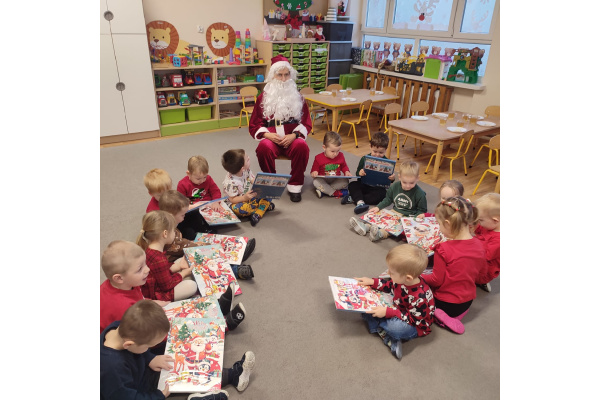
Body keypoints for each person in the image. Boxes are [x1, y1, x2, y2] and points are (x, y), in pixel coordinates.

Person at [101, 300, 255, 400]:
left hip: (139, 371)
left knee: (179, 354)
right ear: (129, 345)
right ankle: (233, 376)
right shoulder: (112, 369)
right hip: (138, 390)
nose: (149, 348)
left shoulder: (119, 328)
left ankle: (223, 326)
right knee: (182, 375)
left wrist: (150, 357)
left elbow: (139, 351)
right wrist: (158, 396)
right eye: (148, 346)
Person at [249, 55, 312, 203]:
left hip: (292, 139)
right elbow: (254, 124)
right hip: (272, 140)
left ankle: (295, 185)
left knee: (302, 146)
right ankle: (272, 183)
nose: (283, 79)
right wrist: (267, 135)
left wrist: (294, 135)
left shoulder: (298, 97)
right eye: (279, 75)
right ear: (273, 76)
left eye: (286, 74)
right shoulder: (263, 97)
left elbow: (306, 123)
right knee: (263, 147)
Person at [355, 244, 435, 360]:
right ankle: (384, 331)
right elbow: (389, 286)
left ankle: (386, 333)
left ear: (408, 278)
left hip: (416, 324)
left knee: (395, 328)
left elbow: (414, 320)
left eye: (392, 272)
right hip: (400, 309)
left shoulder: (419, 297)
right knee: (367, 306)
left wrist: (389, 312)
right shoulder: (402, 280)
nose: (388, 273)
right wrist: (372, 282)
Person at [420, 196, 486, 334]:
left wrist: (419, 275)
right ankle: (456, 316)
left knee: (414, 289)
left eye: (439, 224)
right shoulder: (480, 245)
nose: (438, 227)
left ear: (447, 224)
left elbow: (436, 280)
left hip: (445, 303)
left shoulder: (443, 249)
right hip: (466, 302)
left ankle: (440, 316)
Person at [159, 189, 255, 281]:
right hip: (175, 259)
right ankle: (235, 270)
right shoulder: (168, 232)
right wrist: (206, 246)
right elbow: (182, 245)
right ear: (171, 216)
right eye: (182, 215)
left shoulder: (169, 221)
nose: (184, 216)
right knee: (205, 256)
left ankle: (237, 254)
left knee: (206, 244)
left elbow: (182, 242)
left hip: (180, 247)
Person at [100, 240, 170, 333]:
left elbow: (139, 299)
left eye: (145, 264)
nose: (148, 269)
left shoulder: (128, 283)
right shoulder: (124, 308)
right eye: (140, 269)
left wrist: (152, 303)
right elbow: (135, 336)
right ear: (119, 278)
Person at [349, 160, 427, 242]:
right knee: (381, 217)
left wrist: (416, 218)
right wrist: (378, 207)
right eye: (404, 182)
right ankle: (366, 227)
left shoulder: (420, 193)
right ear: (399, 177)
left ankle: (379, 234)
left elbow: (422, 210)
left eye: (411, 183)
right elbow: (388, 199)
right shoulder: (395, 186)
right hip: (394, 212)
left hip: (408, 217)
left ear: (417, 179)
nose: (407, 186)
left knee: (394, 226)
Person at [136, 210, 198, 302]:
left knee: (179, 261)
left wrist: (178, 266)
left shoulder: (150, 248)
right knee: (192, 286)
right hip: (157, 294)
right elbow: (167, 285)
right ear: (165, 234)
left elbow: (160, 270)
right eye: (173, 231)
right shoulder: (158, 258)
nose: (174, 233)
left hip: (157, 282)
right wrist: (184, 273)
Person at [343, 132, 395, 214]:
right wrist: (360, 173)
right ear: (370, 146)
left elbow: (389, 180)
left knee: (383, 195)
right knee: (352, 185)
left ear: (386, 149)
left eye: (381, 153)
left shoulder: (388, 163)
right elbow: (357, 174)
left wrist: (392, 178)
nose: (377, 155)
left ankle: (357, 199)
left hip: (377, 188)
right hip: (364, 185)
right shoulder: (364, 159)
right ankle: (359, 200)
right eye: (375, 151)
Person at [221, 148, 274, 227]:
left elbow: (252, 179)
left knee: (268, 194)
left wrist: (262, 186)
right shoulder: (230, 183)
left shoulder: (246, 170)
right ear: (242, 168)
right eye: (247, 159)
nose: (249, 158)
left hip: (249, 196)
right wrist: (244, 198)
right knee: (240, 209)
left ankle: (258, 210)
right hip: (237, 201)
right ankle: (260, 210)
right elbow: (232, 199)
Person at [177, 155, 223, 239]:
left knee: (218, 218)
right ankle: (201, 229)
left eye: (204, 177)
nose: (202, 181)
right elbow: (180, 202)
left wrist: (216, 202)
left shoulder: (208, 179)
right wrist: (192, 206)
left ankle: (205, 228)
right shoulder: (182, 184)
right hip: (193, 210)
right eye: (198, 179)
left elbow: (215, 191)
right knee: (190, 221)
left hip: (208, 207)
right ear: (188, 174)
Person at [309, 131, 353, 198]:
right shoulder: (318, 158)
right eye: (332, 151)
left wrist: (346, 172)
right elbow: (313, 171)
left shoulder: (341, 156)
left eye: (338, 151)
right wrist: (314, 173)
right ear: (324, 147)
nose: (335, 154)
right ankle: (335, 193)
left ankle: (325, 191)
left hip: (335, 179)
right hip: (323, 180)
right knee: (316, 181)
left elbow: (344, 166)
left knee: (345, 181)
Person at [473, 193, 500, 293]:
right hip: (480, 259)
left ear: (495, 220)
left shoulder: (498, 241)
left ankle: (480, 282)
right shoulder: (490, 225)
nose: (479, 223)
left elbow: (482, 255)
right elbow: (480, 230)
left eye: (481, 220)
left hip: (484, 271)